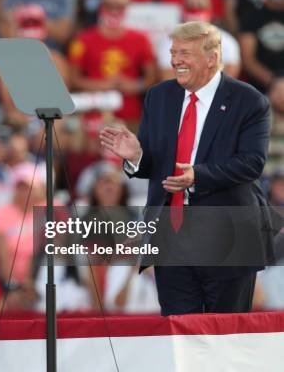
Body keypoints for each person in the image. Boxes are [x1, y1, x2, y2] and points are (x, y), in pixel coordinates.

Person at [100, 21, 271, 315]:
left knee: (224, 338)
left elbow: (252, 163)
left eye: (185, 53)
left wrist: (198, 176)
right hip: (171, 237)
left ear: (212, 58)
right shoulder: (159, 96)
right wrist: (137, 156)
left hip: (227, 236)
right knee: (179, 336)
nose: (175, 61)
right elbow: (155, 163)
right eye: (173, 52)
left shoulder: (249, 101)